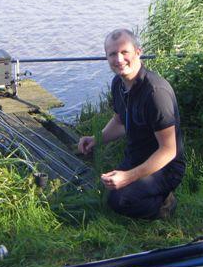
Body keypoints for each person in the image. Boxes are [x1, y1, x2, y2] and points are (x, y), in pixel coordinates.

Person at [78, 29, 184, 219]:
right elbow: (120, 121)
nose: (119, 59)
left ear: (138, 52)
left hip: (166, 166)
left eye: (124, 52)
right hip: (136, 157)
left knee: (121, 200)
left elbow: (169, 150)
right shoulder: (118, 84)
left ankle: (165, 204)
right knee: (108, 192)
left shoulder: (156, 93)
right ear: (107, 57)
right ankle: (143, 191)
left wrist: (128, 177)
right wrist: (96, 139)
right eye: (112, 54)